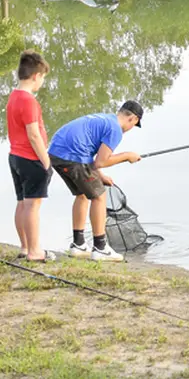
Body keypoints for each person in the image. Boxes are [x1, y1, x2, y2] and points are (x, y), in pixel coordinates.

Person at [46, 102, 144, 262]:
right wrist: (127, 156)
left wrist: (100, 175)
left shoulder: (105, 119)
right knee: (99, 196)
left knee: (83, 194)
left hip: (56, 155)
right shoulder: (115, 130)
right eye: (134, 124)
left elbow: (91, 155)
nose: (132, 127)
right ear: (132, 118)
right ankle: (100, 248)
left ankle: (78, 245)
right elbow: (101, 161)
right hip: (72, 157)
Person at [7, 51, 55, 262]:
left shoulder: (14, 96)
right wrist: (46, 162)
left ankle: (25, 247)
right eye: (43, 77)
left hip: (15, 157)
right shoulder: (28, 101)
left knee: (22, 204)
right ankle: (35, 251)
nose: (42, 82)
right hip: (30, 158)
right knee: (33, 206)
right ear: (36, 75)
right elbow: (34, 134)